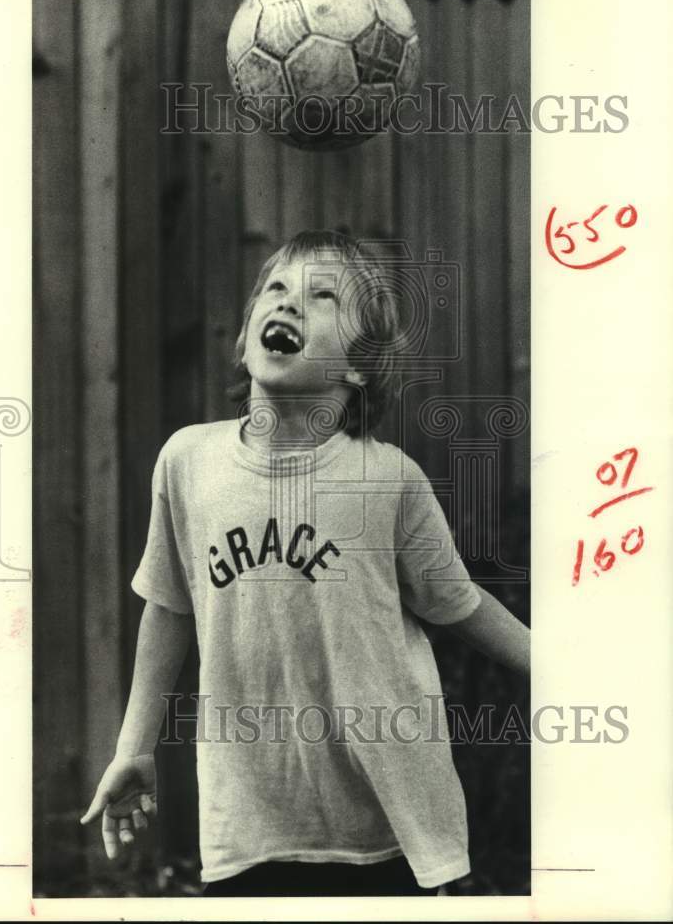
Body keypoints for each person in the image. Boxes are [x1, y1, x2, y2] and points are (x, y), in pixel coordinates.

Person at [81, 230, 530, 897]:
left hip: (385, 823)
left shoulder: (387, 479)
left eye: (323, 298)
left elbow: (458, 604)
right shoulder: (187, 463)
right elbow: (170, 605)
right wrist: (134, 747)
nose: (290, 304)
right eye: (276, 289)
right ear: (243, 341)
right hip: (249, 823)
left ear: (360, 365)